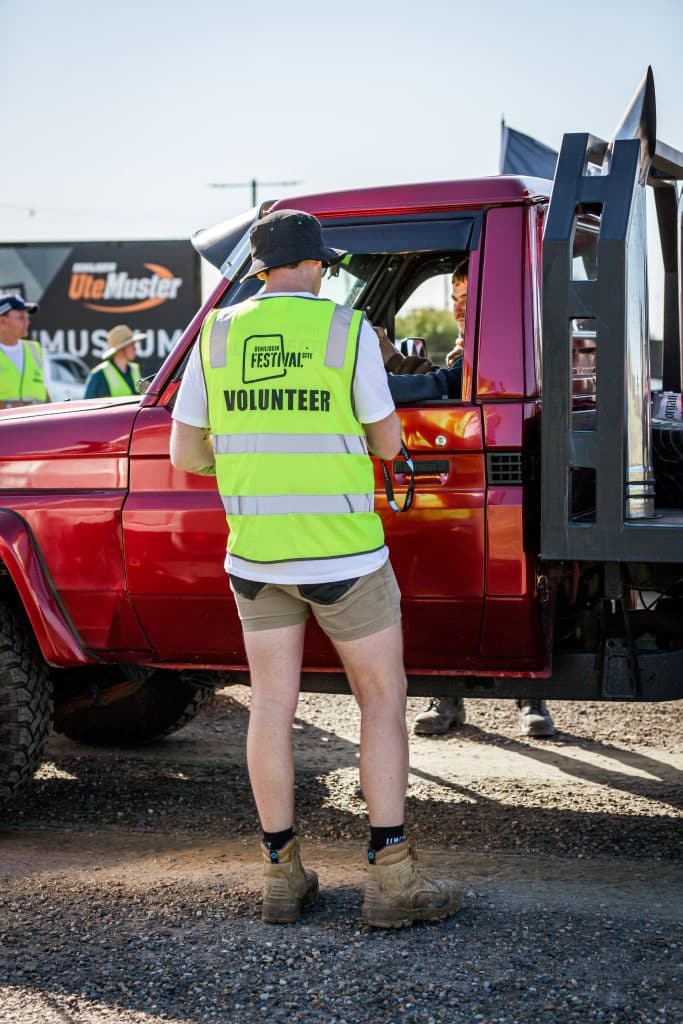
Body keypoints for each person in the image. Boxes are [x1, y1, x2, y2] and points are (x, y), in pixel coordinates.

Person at [170, 209, 460, 929]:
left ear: (259, 269)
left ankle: (281, 875)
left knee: (271, 706)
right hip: (344, 554)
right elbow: (387, 444)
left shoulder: (216, 333)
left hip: (257, 554)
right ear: (315, 265)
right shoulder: (345, 330)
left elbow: (184, 453)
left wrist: (250, 459)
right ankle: (390, 878)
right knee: (381, 699)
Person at [379, 261, 556, 739]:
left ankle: (530, 698)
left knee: (520, 584)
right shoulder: (470, 345)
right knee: (448, 579)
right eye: (455, 299)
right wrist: (399, 361)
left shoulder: (506, 345)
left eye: (467, 298)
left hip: (509, 475)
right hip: (470, 481)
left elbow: (445, 388)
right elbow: (447, 383)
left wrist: (378, 376)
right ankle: (447, 698)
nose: (459, 308)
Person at [0, 294, 49, 409]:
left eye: (27, 317)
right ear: (2, 321)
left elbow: (43, 391)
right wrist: (9, 406)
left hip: (37, 420)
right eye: (21, 317)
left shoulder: (34, 349)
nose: (27, 322)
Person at [83, 324, 144, 398]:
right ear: (120, 349)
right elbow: (89, 403)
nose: (135, 348)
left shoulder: (134, 369)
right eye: (131, 345)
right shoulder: (99, 375)